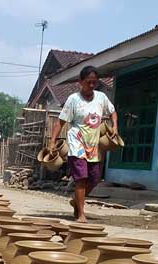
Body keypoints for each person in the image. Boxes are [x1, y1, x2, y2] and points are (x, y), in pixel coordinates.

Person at [50, 65, 117, 223]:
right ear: (81, 82)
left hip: (93, 146)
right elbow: (61, 121)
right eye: (89, 82)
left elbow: (113, 112)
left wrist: (115, 126)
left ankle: (76, 202)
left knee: (94, 178)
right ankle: (81, 214)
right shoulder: (73, 99)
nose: (92, 86)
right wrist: (52, 141)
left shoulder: (101, 98)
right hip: (77, 143)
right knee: (81, 178)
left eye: (95, 82)